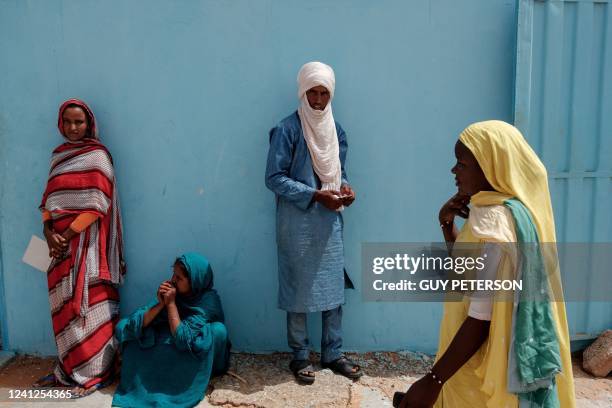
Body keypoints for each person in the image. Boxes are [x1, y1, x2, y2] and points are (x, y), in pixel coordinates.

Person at [399, 121, 575, 407]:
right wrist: (447, 225)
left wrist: (432, 382)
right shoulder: (491, 209)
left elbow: (481, 319)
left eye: (462, 164)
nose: (454, 171)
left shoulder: (498, 225)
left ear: (490, 167)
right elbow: (470, 271)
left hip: (482, 367)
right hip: (471, 358)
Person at [265, 61, 362, 384]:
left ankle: (333, 353)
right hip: (296, 225)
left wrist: (345, 190)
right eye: (313, 92)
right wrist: (315, 195)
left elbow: (337, 172)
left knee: (333, 289)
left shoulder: (337, 131)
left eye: (324, 93)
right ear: (302, 91)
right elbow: (274, 178)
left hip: (330, 222)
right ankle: (300, 356)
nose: (318, 100)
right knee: (299, 290)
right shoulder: (287, 130)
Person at [35, 98, 126, 398]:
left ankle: (93, 373)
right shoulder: (57, 156)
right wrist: (48, 233)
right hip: (54, 248)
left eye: (79, 122)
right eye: (68, 122)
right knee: (61, 308)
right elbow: (47, 201)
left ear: (89, 124)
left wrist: (67, 235)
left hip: (86, 247)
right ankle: (67, 369)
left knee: (88, 306)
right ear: (60, 124)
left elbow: (98, 203)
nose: (73, 128)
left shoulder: (98, 156)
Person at [112, 252, 230, 408]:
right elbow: (135, 320)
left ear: (194, 281)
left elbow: (183, 340)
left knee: (218, 331)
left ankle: (204, 372)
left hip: (193, 343)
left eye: (179, 278)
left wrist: (171, 304)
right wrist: (160, 304)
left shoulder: (208, 302)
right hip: (174, 333)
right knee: (124, 327)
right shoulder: (174, 291)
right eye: (173, 274)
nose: (173, 280)